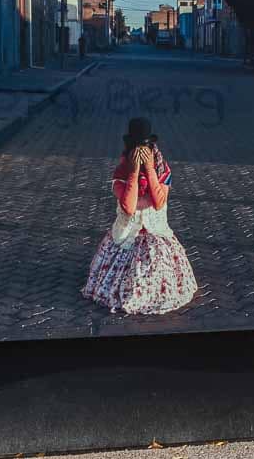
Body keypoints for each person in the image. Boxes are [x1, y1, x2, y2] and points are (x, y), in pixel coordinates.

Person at [82, 117, 197, 314]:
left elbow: (159, 202)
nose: (142, 153)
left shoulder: (162, 170)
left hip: (156, 235)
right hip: (127, 235)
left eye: (145, 148)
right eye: (137, 148)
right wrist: (134, 172)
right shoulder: (121, 172)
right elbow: (128, 207)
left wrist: (150, 169)